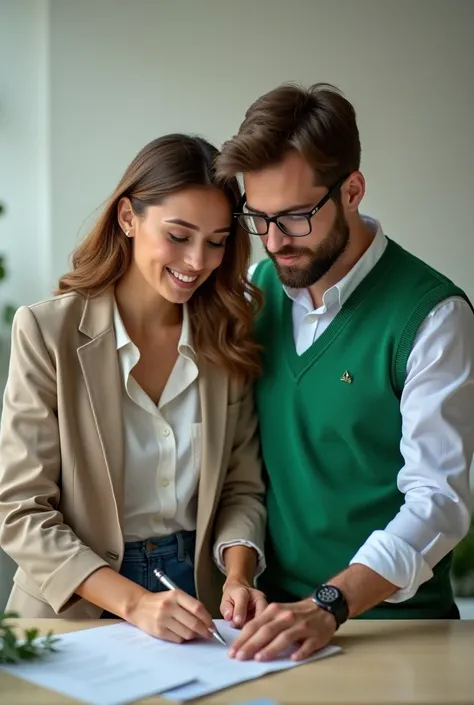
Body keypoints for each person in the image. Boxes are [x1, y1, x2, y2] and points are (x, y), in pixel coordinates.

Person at [215, 83, 474, 662]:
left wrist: (331, 601)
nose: (275, 242)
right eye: (259, 218)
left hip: (397, 630)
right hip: (269, 625)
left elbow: (439, 500)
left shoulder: (433, 316)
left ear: (352, 190)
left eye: (296, 217)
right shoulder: (258, 292)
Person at [0, 134, 268, 643]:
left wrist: (238, 573)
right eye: (179, 235)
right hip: (71, 606)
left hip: (199, 602)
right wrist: (136, 603)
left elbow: (241, 489)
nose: (197, 261)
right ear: (128, 218)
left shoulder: (227, 339)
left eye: (216, 241)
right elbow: (19, 508)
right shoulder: (46, 331)